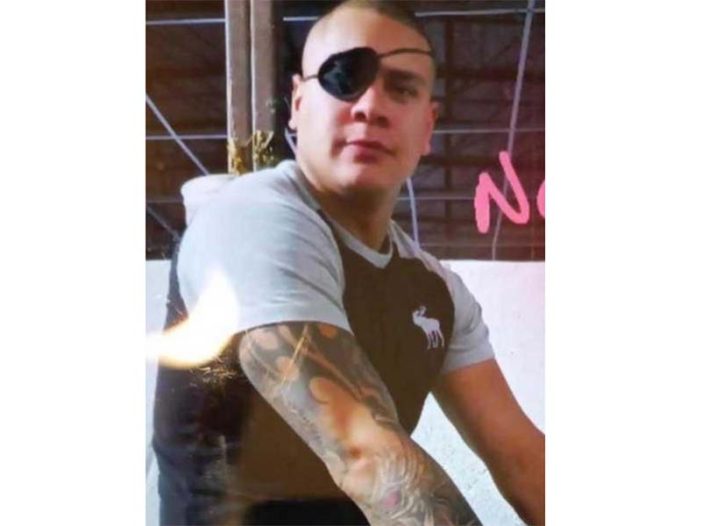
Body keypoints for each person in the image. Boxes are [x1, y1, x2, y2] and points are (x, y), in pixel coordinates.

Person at [153, 1, 545, 524]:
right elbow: (366, 456)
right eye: (343, 78)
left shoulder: (437, 291)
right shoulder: (251, 219)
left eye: (402, 89)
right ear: (297, 103)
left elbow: (523, 461)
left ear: (428, 125)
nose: (371, 106)